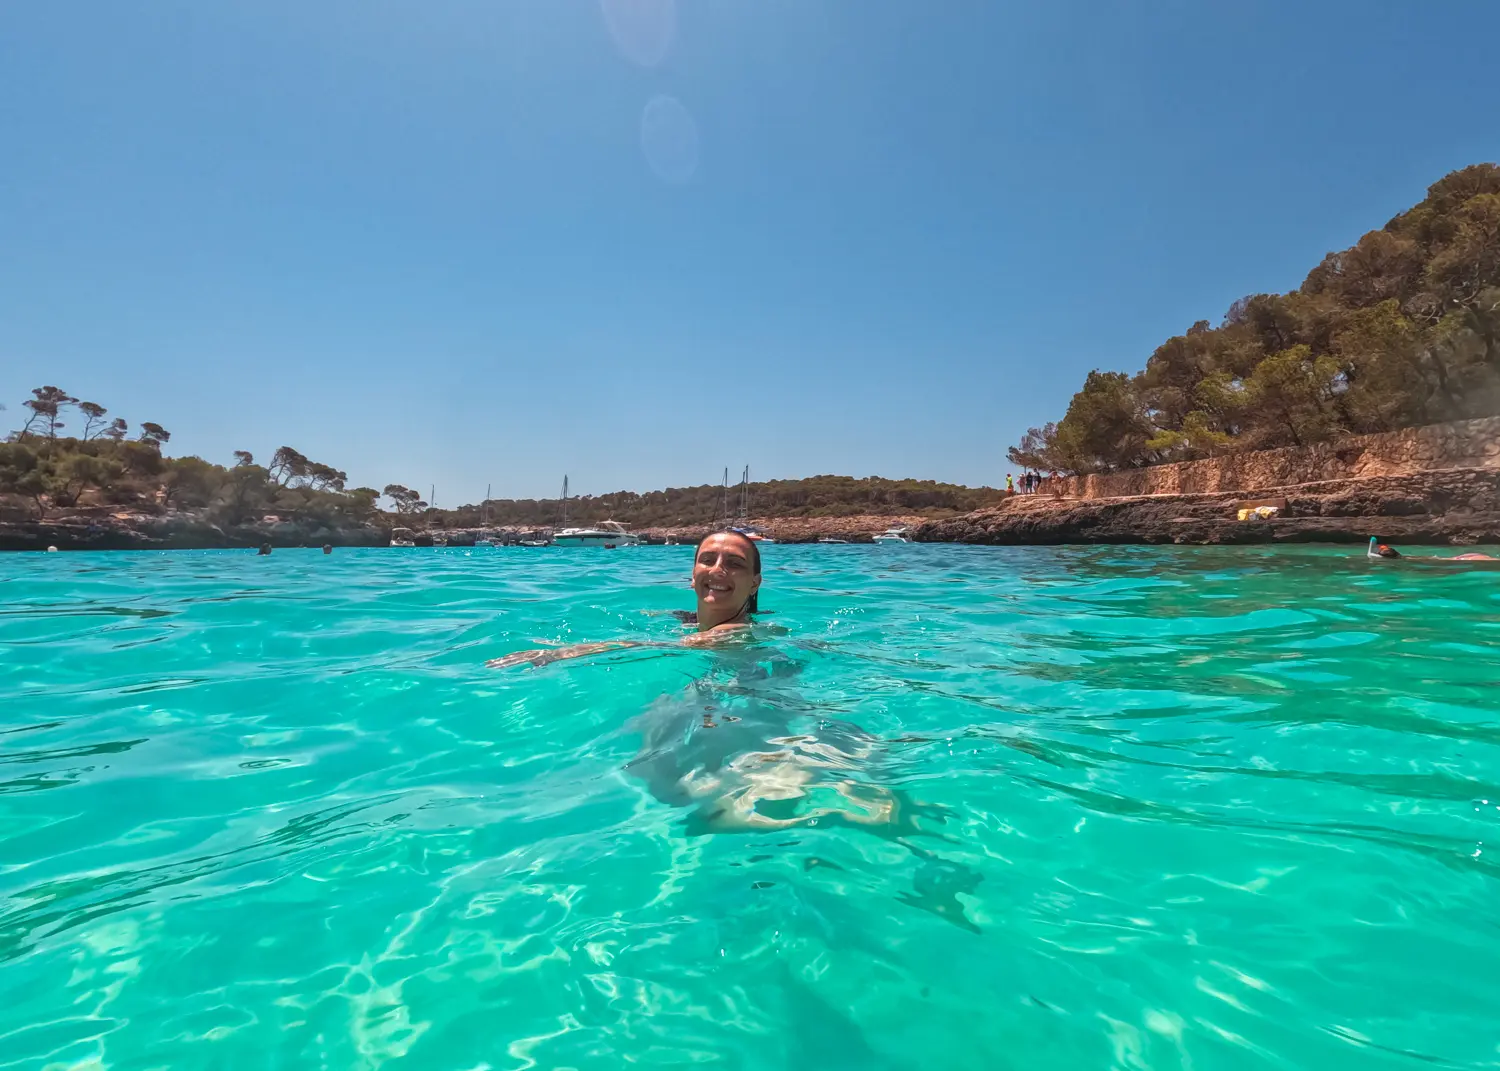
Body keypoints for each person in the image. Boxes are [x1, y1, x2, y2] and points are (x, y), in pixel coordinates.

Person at [487, 529, 763, 668]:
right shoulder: (693, 623)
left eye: (735, 564)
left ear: (754, 583)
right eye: (707, 560)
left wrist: (556, 654)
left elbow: (656, 645)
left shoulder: (733, 632)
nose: (717, 570)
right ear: (692, 577)